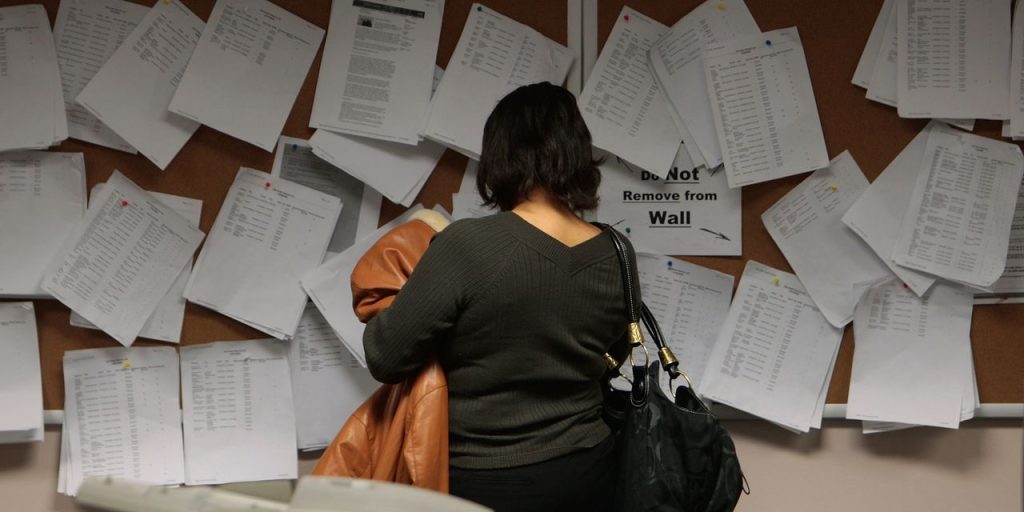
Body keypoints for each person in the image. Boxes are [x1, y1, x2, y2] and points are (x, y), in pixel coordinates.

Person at [362, 82, 636, 512]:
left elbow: (385, 356)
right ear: (577, 154)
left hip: (483, 478)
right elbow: (614, 354)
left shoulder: (467, 244)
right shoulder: (618, 250)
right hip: (591, 468)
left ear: (500, 157)